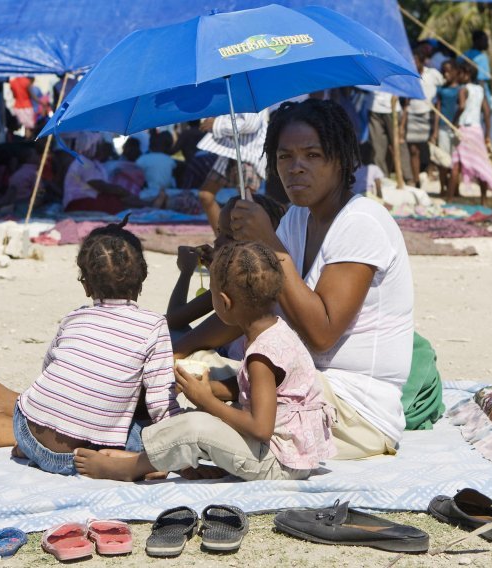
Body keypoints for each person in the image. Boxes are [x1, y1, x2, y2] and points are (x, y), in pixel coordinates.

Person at [174, 99, 415, 459]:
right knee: (193, 371)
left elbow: (321, 334)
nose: (296, 168)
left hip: (354, 407)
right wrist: (180, 350)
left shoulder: (361, 222)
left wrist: (268, 240)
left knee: (198, 432)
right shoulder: (297, 219)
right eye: (285, 157)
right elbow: (255, 311)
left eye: (313, 155)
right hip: (298, 382)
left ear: (343, 160)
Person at [73, 240, 335, 482]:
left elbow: (261, 428)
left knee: (193, 426)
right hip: (291, 453)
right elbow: (258, 389)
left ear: (223, 302)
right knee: (198, 419)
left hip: (277, 463)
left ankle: (131, 468)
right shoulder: (276, 331)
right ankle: (173, 458)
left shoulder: (260, 355)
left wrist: (207, 401)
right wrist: (212, 390)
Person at [0, 221, 181, 474]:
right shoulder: (153, 326)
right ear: (143, 277)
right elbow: (161, 402)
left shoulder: (73, 318)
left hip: (26, 429)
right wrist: (180, 447)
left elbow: (49, 370)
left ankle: (28, 448)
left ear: (86, 285)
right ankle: (132, 465)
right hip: (79, 457)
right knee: (145, 435)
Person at [166, 194, 287, 335]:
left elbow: (173, 320)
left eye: (229, 236)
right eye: (219, 232)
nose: (217, 242)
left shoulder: (244, 287)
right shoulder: (263, 277)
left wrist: (186, 273)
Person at [196, 112, 267, 231]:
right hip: (228, 152)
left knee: (246, 204)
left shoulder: (247, 95)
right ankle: (223, 240)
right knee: (205, 196)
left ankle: (250, 244)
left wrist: (216, 124)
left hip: (248, 154)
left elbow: (251, 124)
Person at [448, 61, 492, 206]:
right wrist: (487, 134)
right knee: (480, 165)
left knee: (456, 165)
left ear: (466, 75)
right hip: (477, 130)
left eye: (460, 73)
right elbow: (487, 112)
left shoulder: (463, 89)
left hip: (464, 129)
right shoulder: (480, 89)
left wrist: (453, 122)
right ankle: (483, 200)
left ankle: (450, 199)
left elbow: (462, 106)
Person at [407, 49, 444, 188]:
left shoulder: (433, 74)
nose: (413, 64)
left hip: (429, 113)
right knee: (413, 150)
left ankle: (430, 175)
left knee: (429, 149)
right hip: (412, 113)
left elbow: (442, 88)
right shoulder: (409, 76)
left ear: (422, 62)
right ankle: (416, 180)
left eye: (415, 61)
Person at [368, 90, 413, 184]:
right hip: (373, 108)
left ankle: (408, 179)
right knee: (378, 149)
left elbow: (406, 100)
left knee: (400, 146)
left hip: (393, 108)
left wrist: (402, 125)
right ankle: (383, 180)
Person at [432, 59, 461, 197]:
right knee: (444, 161)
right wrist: (435, 131)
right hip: (443, 129)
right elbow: (437, 112)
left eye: (449, 70)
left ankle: (455, 188)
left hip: (457, 131)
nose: (446, 74)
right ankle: (443, 187)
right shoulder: (441, 90)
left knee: (456, 162)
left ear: (456, 72)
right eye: (444, 71)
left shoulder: (461, 90)